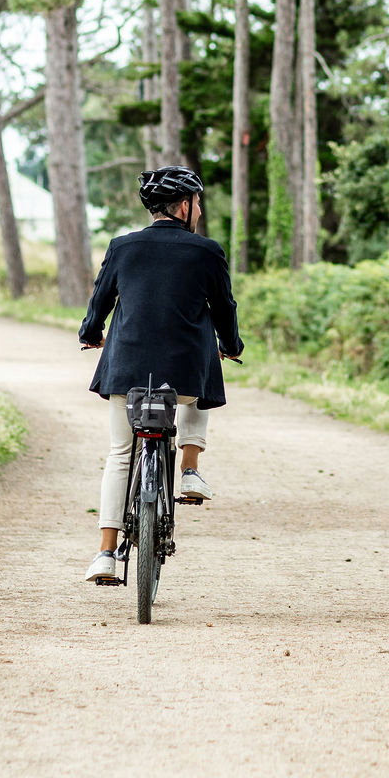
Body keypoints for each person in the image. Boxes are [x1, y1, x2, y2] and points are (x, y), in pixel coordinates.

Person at [78, 166, 244, 584]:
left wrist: (91, 333)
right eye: (199, 204)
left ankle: (104, 554)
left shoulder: (122, 247)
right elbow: (224, 308)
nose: (200, 212)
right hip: (185, 377)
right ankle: (189, 468)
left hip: (126, 372)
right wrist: (231, 346)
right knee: (201, 377)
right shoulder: (207, 251)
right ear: (185, 206)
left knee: (120, 453)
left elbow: (100, 299)